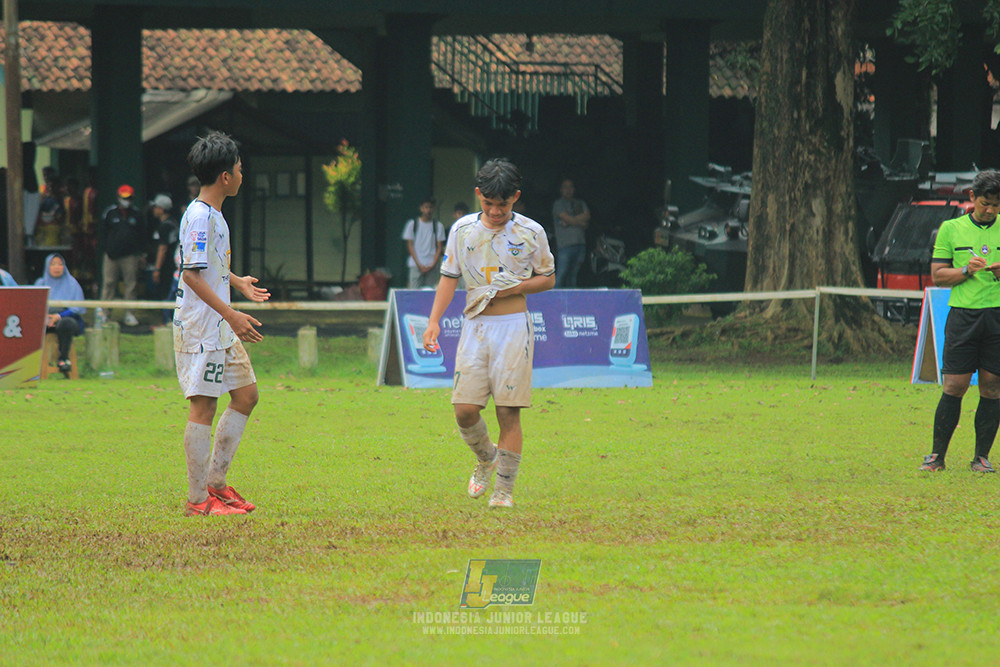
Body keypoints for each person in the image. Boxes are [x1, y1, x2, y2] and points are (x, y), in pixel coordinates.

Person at [422, 159, 555, 508]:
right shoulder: (462, 230)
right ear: (478, 195)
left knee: (508, 413)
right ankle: (486, 459)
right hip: (475, 327)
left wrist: (513, 289)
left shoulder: (531, 232)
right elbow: (449, 277)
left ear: (516, 198)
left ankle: (504, 492)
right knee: (464, 409)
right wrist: (434, 321)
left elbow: (548, 277)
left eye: (504, 205)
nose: (496, 212)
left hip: (513, 329)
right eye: (489, 204)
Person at [174, 130, 270, 517]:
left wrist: (235, 281)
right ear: (226, 177)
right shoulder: (200, 216)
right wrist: (230, 311)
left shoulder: (212, 214)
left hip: (219, 325)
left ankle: (216, 483)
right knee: (203, 407)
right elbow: (191, 275)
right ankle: (198, 501)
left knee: (246, 395)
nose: (242, 174)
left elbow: (207, 266)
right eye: (240, 168)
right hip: (202, 327)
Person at [921, 170, 1000, 473]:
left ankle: (981, 457)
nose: (990, 210)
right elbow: (938, 275)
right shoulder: (950, 229)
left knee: (992, 386)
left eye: (995, 204)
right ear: (971, 198)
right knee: (955, 384)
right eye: (984, 203)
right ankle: (936, 456)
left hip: (997, 316)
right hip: (963, 316)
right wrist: (966, 270)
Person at [98, 184, 145, 327]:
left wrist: (141, 254)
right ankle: (104, 314)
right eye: (124, 198)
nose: (126, 201)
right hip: (111, 256)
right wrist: (106, 249)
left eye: (129, 198)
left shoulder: (137, 214)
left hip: (130, 256)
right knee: (108, 283)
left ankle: (130, 314)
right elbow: (102, 233)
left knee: (131, 284)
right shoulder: (109, 213)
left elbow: (142, 235)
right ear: (118, 197)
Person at [34, 253, 85, 378]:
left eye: (60, 264)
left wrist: (59, 316)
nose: (57, 267)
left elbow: (77, 308)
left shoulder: (72, 284)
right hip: (45, 318)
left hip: (67, 318)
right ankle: (31, 366)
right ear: (47, 267)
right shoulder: (41, 283)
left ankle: (64, 359)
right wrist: (45, 317)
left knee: (66, 324)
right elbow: (33, 305)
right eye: (53, 264)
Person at [551, 178, 590, 288]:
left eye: (571, 187)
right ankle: (553, 300)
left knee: (573, 276)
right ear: (561, 190)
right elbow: (572, 220)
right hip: (565, 246)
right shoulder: (558, 204)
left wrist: (570, 221)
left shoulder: (580, 203)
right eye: (565, 187)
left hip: (580, 244)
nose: (568, 190)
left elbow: (587, 218)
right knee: (562, 274)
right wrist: (577, 221)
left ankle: (571, 303)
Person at [401, 197, 446, 289]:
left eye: (430, 207)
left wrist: (432, 264)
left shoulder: (438, 226)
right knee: (414, 292)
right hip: (415, 265)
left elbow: (439, 247)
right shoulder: (412, 224)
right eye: (425, 207)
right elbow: (410, 245)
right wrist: (418, 264)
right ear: (421, 208)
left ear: (433, 209)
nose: (428, 210)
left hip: (432, 266)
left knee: (430, 294)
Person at [148, 193, 179, 323]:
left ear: (161, 208)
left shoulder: (165, 226)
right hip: (174, 265)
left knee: (166, 293)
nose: (154, 210)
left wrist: (157, 269)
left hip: (167, 265)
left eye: (155, 207)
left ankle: (167, 321)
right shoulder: (174, 222)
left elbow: (163, 248)